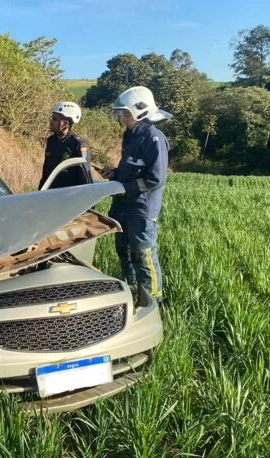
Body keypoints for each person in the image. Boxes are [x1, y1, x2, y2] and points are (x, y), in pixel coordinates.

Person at [99, 86, 171, 303]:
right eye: (122, 114)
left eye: (127, 114)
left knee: (143, 255)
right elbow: (130, 167)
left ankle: (152, 301)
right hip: (122, 205)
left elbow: (155, 179)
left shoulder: (154, 138)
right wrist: (114, 173)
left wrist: (124, 187)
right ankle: (131, 291)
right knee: (124, 250)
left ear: (141, 112)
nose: (123, 118)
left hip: (141, 208)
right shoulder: (130, 135)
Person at [38, 101, 90, 189]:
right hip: (49, 193)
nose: (51, 121)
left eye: (55, 119)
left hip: (68, 195)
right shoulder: (51, 140)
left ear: (65, 123)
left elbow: (85, 176)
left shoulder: (79, 144)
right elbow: (46, 169)